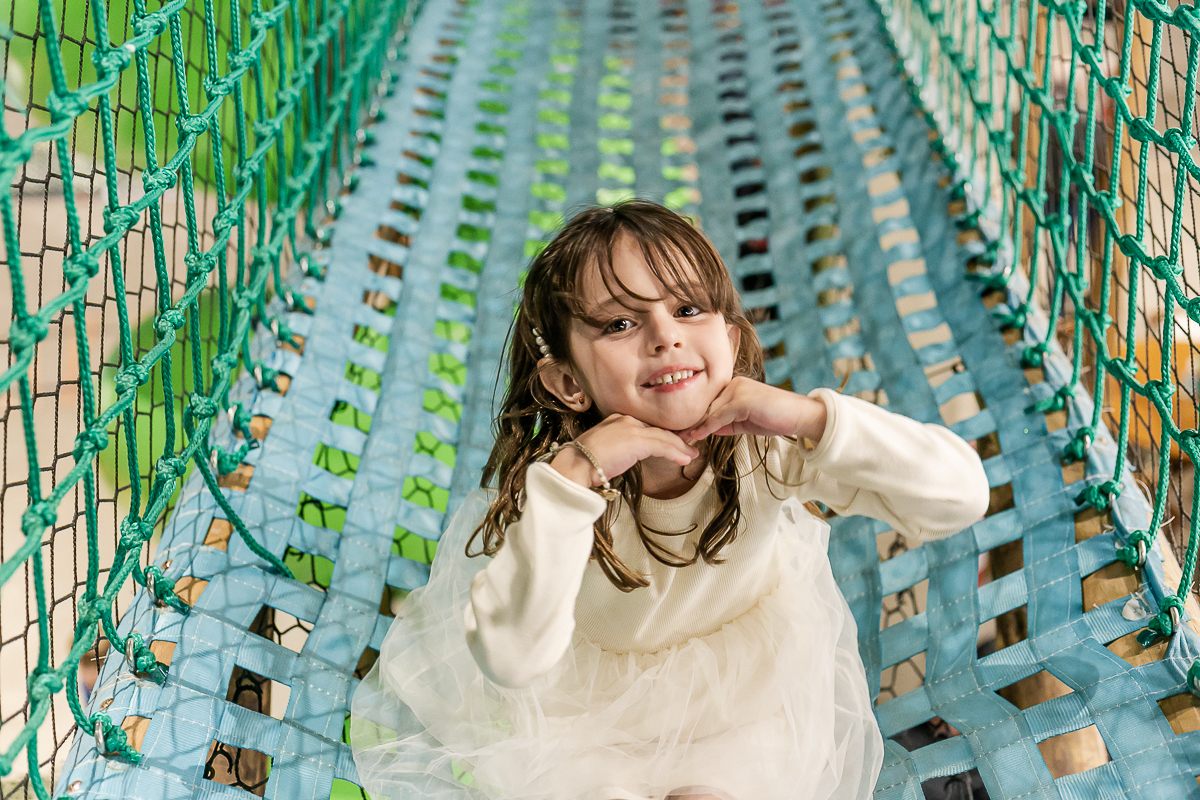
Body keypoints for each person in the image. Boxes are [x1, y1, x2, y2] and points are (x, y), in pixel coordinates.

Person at [350, 200, 990, 800]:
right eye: (621, 323)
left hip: (742, 691)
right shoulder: (561, 486)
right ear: (568, 383)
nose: (664, 336)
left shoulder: (765, 449)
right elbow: (516, 661)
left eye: (688, 311)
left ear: (731, 341)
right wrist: (575, 473)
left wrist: (808, 416)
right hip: (583, 710)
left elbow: (958, 498)